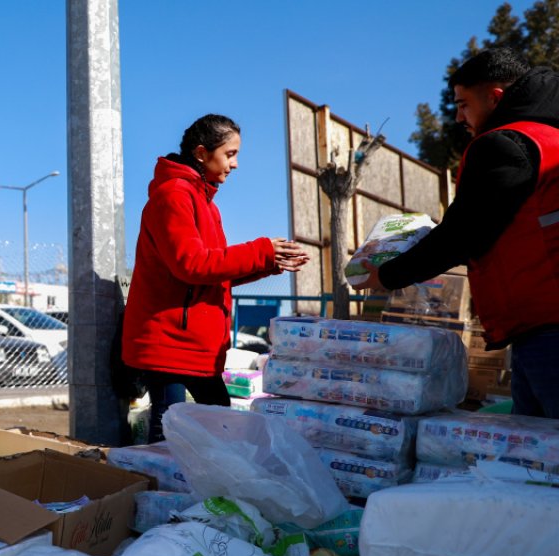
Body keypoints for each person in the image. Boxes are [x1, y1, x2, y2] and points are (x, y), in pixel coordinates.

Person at [354, 48, 559, 419]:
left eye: (463, 104)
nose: (458, 116)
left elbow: (463, 233)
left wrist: (386, 275)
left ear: (495, 97)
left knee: (541, 462)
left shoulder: (504, 145)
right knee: (534, 460)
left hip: (548, 330)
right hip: (539, 327)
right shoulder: (550, 140)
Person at [120, 114, 308, 442]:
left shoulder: (207, 203)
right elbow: (191, 264)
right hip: (169, 344)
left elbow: (213, 273)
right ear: (202, 153)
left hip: (197, 348)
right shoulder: (174, 194)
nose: (235, 164)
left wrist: (268, 261)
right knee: (169, 438)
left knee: (219, 429)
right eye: (230, 154)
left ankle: (190, 490)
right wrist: (260, 251)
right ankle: (155, 490)